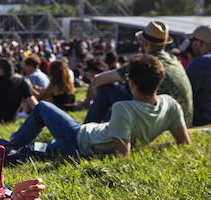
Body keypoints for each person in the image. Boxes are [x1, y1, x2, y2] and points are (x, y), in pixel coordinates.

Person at [10, 54, 191, 158]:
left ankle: (10, 145)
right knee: (38, 150)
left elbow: (121, 154)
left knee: (42, 108)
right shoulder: (170, 104)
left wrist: (94, 152)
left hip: (80, 141)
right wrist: (145, 146)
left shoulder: (123, 108)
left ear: (132, 83)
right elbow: (183, 142)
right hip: (89, 133)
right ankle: (14, 149)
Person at [87, 21, 193, 126]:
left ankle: (86, 131)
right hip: (183, 122)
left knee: (107, 89)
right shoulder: (173, 59)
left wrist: (90, 98)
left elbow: (99, 80)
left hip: (159, 120)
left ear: (145, 43)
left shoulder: (146, 63)